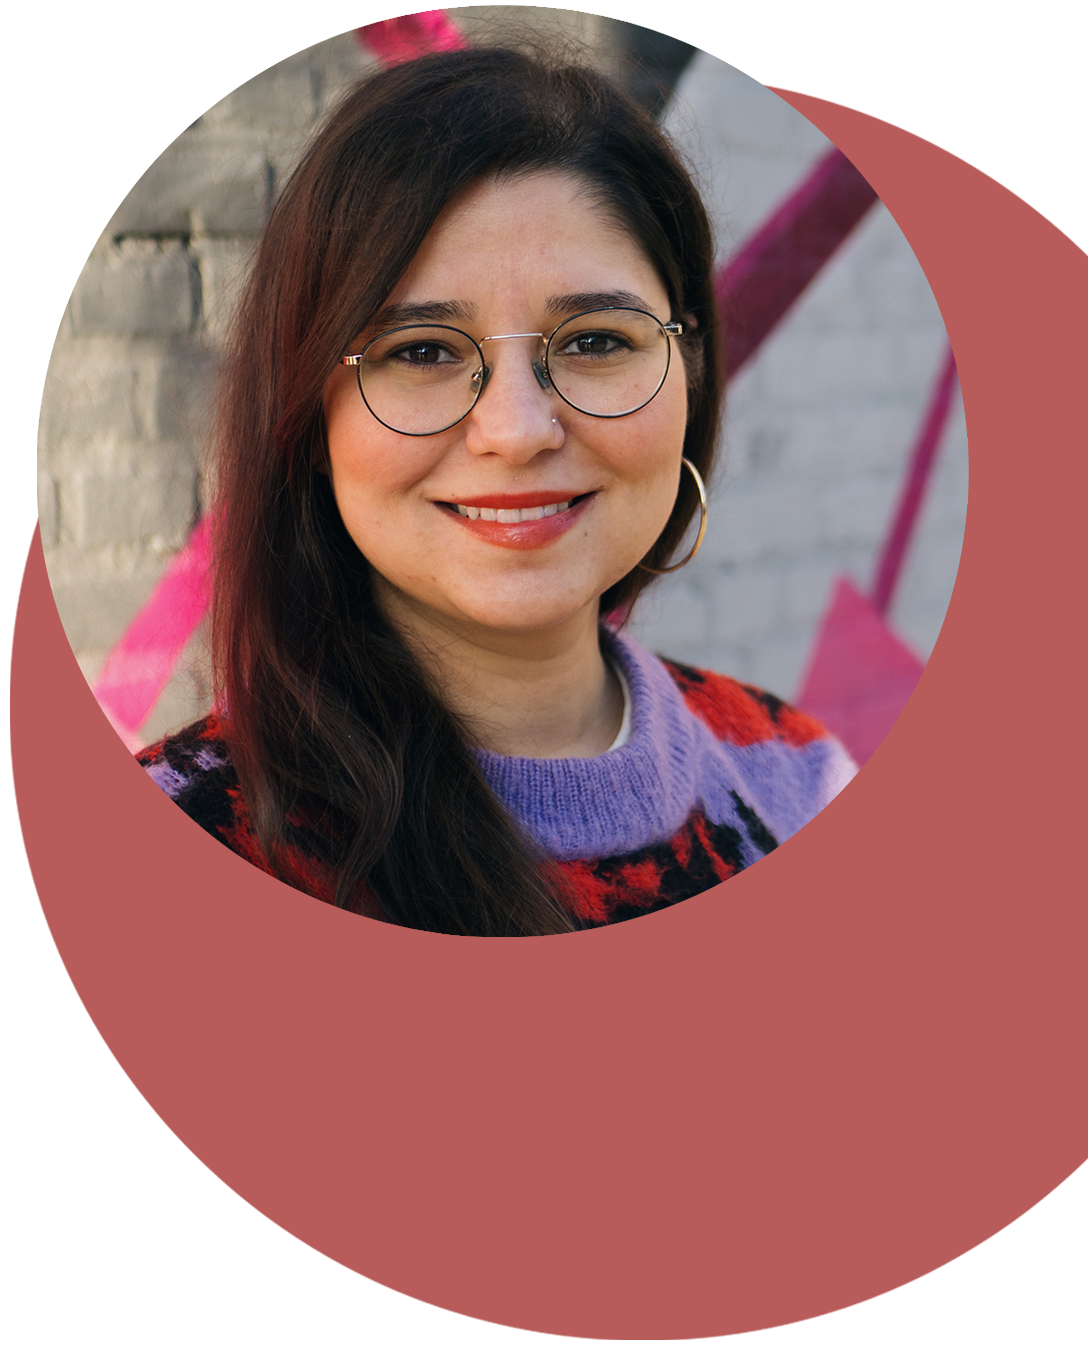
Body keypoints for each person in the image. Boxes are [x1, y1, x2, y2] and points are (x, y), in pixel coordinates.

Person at [138, 46, 856, 936]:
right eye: (421, 352)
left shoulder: (798, 779)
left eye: (595, 341)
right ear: (311, 416)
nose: (516, 431)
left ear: (691, 371)